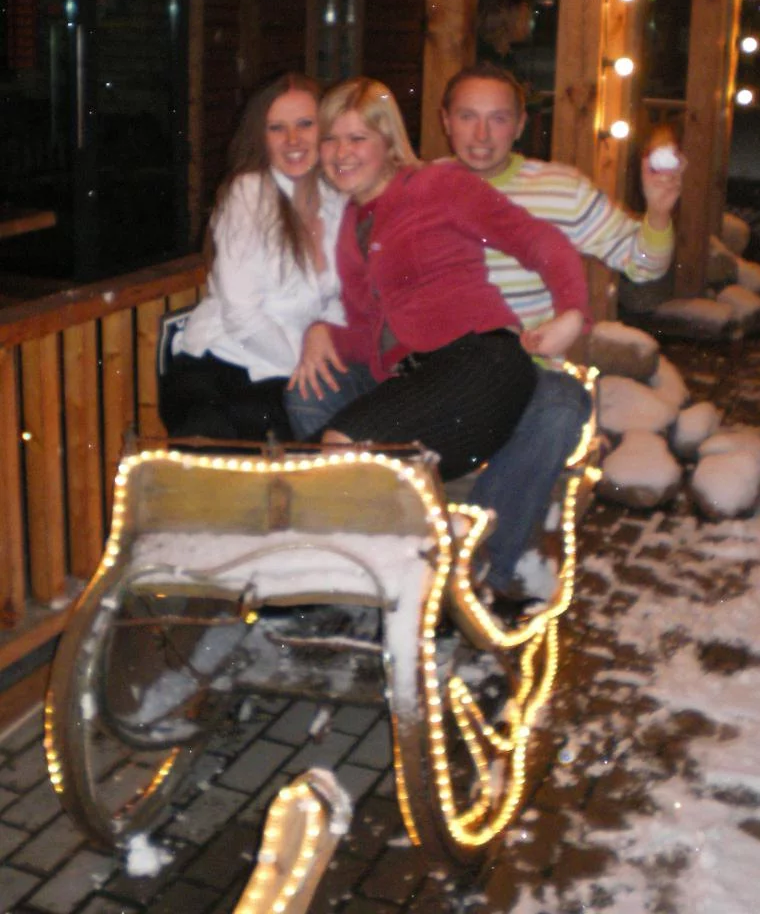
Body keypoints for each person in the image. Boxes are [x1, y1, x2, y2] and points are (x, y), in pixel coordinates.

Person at [438, 61, 683, 595]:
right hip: (438, 369)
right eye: (468, 116)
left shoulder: (559, 190)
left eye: (498, 118)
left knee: (563, 405)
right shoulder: (421, 186)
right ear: (446, 121)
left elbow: (641, 264)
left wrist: (659, 213)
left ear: (521, 124)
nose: (481, 134)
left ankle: (473, 564)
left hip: (525, 370)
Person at [287, 77, 590, 483]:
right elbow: (375, 332)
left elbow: (539, 241)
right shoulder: (347, 225)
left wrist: (572, 312)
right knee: (305, 449)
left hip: (481, 363)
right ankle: (420, 517)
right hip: (415, 383)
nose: (341, 153)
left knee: (341, 448)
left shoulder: (437, 185)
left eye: (357, 138)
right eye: (330, 139)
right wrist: (323, 333)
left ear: (389, 142)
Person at [159, 72, 352, 441]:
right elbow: (241, 314)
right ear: (261, 138)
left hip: (288, 377)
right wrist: (303, 365)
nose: (293, 139)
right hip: (222, 366)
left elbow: (342, 298)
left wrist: (323, 336)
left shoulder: (338, 201)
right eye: (277, 128)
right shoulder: (248, 195)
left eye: (305, 124)